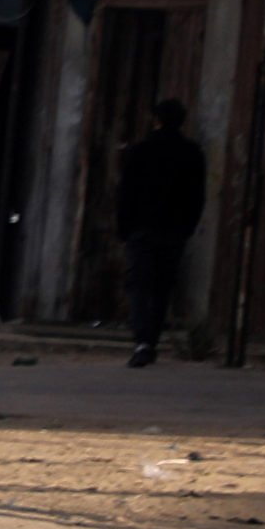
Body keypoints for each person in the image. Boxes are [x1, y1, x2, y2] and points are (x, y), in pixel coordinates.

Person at [111, 97, 205, 365]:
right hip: (174, 231)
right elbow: (197, 196)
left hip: (142, 229)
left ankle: (142, 341)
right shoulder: (191, 153)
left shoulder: (140, 151)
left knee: (140, 285)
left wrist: (123, 227)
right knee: (162, 287)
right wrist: (188, 226)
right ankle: (150, 339)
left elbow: (125, 192)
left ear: (157, 119)